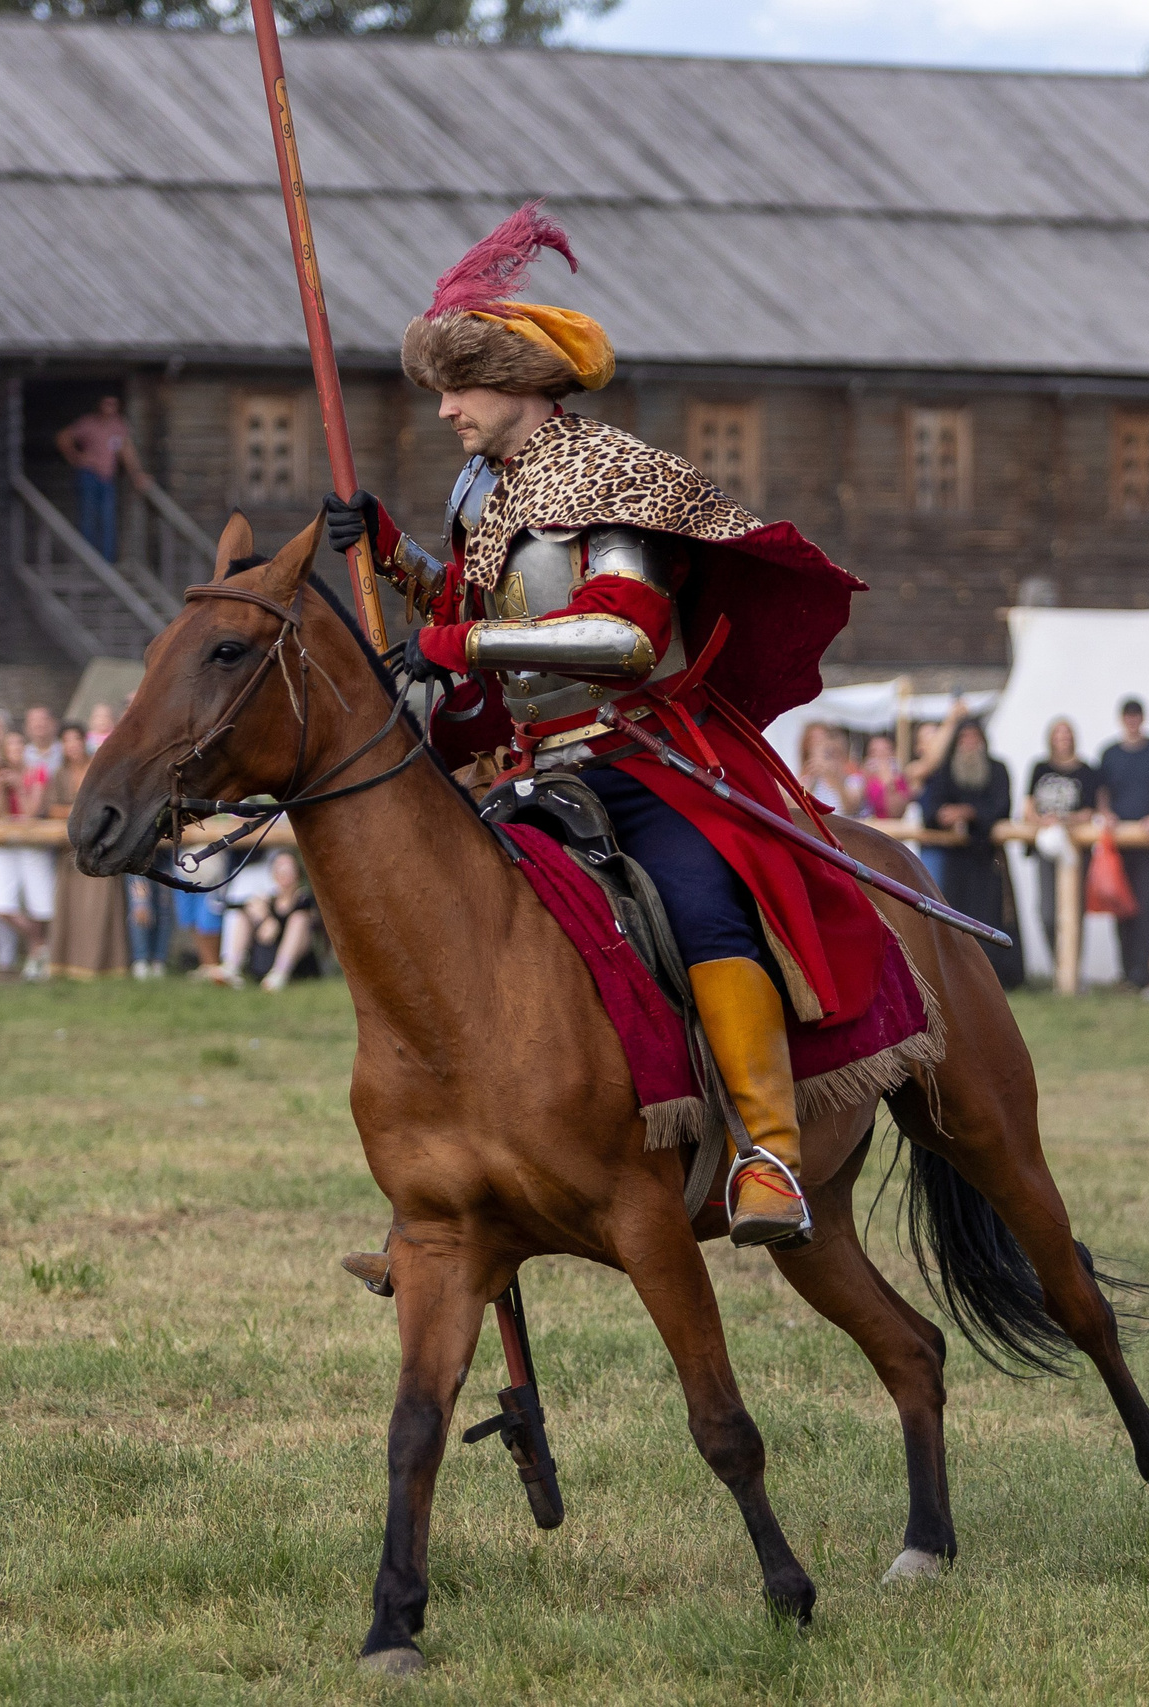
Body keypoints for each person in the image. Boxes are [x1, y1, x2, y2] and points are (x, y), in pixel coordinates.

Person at [324, 204, 886, 1245]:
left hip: (643, 758)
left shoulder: (611, 478)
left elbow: (625, 638)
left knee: (704, 906)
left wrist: (464, 650)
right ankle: (463, 1186)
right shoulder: (484, 490)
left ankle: (768, 1155)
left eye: (459, 389)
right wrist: (393, 556)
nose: (445, 411)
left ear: (520, 385)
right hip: (529, 764)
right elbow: (476, 608)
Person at [917, 717, 1022, 988]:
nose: (969, 744)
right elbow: (929, 810)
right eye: (963, 738)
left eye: (974, 738)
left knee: (991, 918)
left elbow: (1001, 807)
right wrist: (943, 815)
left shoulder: (997, 769)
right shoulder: (945, 772)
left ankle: (994, 978)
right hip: (955, 862)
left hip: (987, 859)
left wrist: (969, 812)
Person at [1096, 697, 1149, 991]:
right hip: (1119, 844)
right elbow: (1101, 793)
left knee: (1148, 905)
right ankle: (1127, 971)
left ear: (1143, 718)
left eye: (1137, 716)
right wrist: (1107, 816)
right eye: (1128, 716)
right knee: (1121, 906)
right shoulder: (1109, 753)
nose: (1132, 721)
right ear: (1122, 719)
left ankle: (1144, 971)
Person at [45, 721, 130, 978]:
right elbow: (51, 809)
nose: (72, 746)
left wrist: (79, 813)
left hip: (103, 846)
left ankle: (106, 965)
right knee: (71, 906)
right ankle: (67, 965)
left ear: (84, 741)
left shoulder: (101, 770)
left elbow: (111, 805)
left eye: (76, 740)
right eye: (66, 741)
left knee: (103, 906)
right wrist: (80, 813)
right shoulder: (59, 775)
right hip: (70, 849)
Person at [1020, 717, 1101, 966]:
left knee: (1074, 910)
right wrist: (1041, 820)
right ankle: (1059, 964)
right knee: (1046, 911)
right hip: (1046, 844)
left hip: (1075, 846)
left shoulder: (1086, 770)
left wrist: (1065, 820)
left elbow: (1090, 810)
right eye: (1058, 734)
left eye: (1067, 735)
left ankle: (1073, 968)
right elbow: (1028, 805)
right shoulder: (1040, 767)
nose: (1062, 740)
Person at [0, 727, 53, 981]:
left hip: (32, 842)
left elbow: (31, 812)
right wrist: (1, 788)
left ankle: (37, 954)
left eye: (20, 746)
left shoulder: (38, 773)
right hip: (3, 842)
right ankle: (40, 943)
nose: (15, 752)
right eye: (10, 747)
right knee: (0, 904)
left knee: (41, 903)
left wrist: (19, 787)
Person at [54, 395, 155, 562]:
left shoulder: (117, 426)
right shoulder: (88, 423)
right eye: (107, 403)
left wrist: (137, 474)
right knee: (88, 517)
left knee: (108, 519)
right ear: (100, 405)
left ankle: (107, 562)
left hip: (106, 478)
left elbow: (126, 452)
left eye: (114, 404)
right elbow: (63, 437)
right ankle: (87, 559)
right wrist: (76, 458)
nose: (110, 407)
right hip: (89, 475)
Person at [218, 849, 322, 990]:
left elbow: (313, 915)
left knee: (299, 919)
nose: (284, 871)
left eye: (288, 867)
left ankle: (280, 972)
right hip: (266, 955)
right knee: (244, 913)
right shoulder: (267, 899)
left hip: (299, 962)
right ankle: (232, 966)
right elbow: (236, 906)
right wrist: (265, 919)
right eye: (280, 867)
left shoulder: (304, 899)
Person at [850, 731, 912, 820]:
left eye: (885, 750)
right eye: (874, 751)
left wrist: (888, 782)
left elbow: (896, 813)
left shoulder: (900, 779)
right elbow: (853, 806)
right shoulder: (860, 778)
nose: (880, 755)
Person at [794, 723, 850, 812]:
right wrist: (810, 778)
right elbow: (800, 805)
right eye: (814, 740)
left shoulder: (850, 779)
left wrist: (832, 777)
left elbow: (850, 807)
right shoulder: (807, 779)